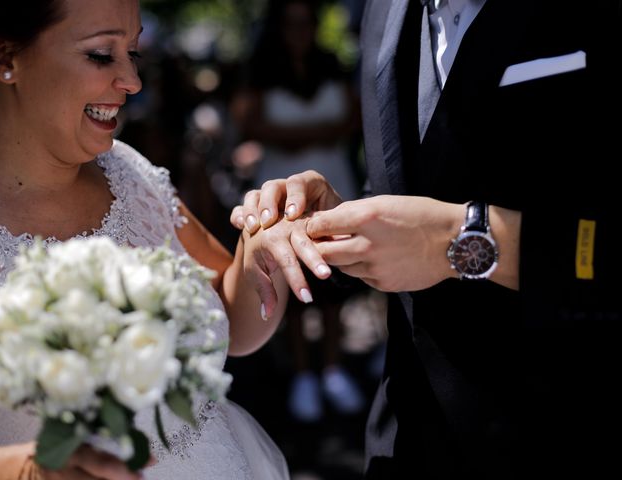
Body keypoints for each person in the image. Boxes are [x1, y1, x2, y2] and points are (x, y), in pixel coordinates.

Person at [232, 0, 622, 478]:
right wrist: (333, 223)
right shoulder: (383, 12)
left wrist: (462, 241)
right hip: (406, 436)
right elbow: (408, 186)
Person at [0, 1, 292, 478]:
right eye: (103, 55)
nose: (132, 82)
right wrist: (28, 469)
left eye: (134, 53)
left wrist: (269, 238)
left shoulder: (130, 173)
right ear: (4, 59)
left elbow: (234, 322)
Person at [233, 0, 365, 423]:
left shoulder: (330, 64)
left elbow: (354, 115)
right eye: (291, 25)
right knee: (289, 280)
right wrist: (310, 136)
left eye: (305, 24)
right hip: (282, 191)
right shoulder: (262, 68)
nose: (299, 32)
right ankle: (303, 373)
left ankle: (332, 367)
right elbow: (248, 122)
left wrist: (305, 136)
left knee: (332, 283)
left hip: (334, 183)